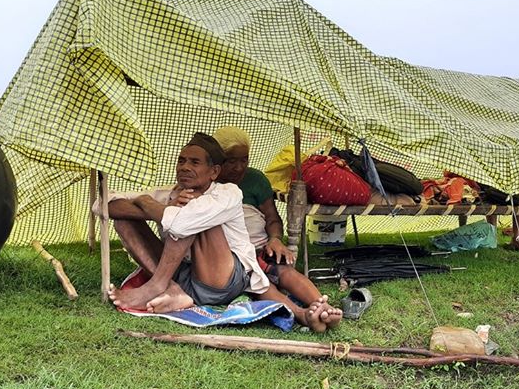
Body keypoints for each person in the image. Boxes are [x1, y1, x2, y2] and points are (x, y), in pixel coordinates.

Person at [104, 132, 270, 314]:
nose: (184, 167)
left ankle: (157, 285)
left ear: (214, 172)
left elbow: (180, 225)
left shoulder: (228, 193)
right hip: (185, 275)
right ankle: (173, 290)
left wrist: (146, 202)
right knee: (125, 221)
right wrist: (161, 207)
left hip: (222, 282)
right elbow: (103, 205)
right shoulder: (171, 193)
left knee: (191, 215)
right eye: (181, 161)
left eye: (194, 162)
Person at [212, 126, 342, 331]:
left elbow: (272, 219)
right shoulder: (206, 181)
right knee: (260, 283)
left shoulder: (255, 180)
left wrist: (275, 239)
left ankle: (324, 308)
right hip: (229, 254)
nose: (239, 167)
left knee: (284, 271)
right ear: (217, 159)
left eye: (244, 159)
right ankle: (302, 315)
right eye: (231, 161)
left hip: (260, 247)